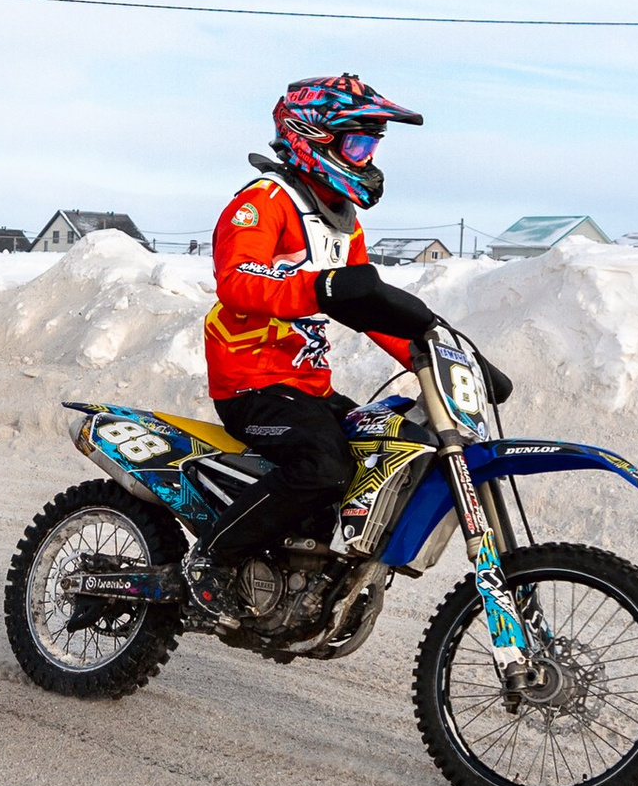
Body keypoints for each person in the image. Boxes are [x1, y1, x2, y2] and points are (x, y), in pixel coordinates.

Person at [194, 73, 461, 606]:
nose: (366, 157)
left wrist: (433, 350)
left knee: (381, 451)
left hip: (306, 384)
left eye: (372, 145)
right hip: (252, 385)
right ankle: (210, 559)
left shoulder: (344, 224)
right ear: (310, 136)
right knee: (323, 466)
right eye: (357, 143)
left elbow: (366, 304)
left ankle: (302, 565)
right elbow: (238, 280)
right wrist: (319, 285)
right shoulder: (264, 202)